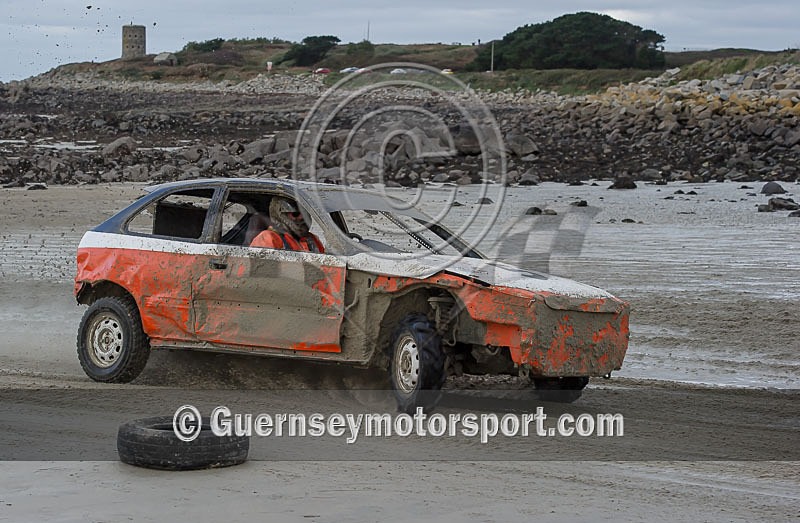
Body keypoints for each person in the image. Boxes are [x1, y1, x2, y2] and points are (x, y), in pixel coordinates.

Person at [249, 197, 324, 253]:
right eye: (295, 214)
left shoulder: (312, 239)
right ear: (281, 216)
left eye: (305, 214)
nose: (301, 218)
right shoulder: (268, 238)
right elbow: (262, 271)